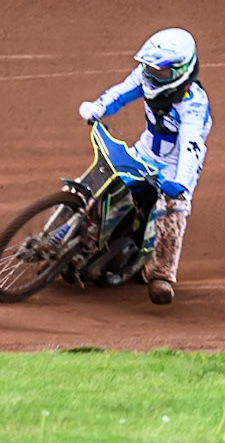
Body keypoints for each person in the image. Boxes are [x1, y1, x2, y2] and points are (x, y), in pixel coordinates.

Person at [78, 28, 211, 305]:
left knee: (172, 209)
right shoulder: (144, 77)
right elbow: (121, 93)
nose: (152, 75)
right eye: (149, 67)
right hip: (145, 151)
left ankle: (162, 274)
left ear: (181, 71)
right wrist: (98, 108)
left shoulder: (194, 104)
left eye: (160, 71)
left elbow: (191, 145)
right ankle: (73, 237)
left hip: (177, 168)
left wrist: (181, 183)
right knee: (104, 181)